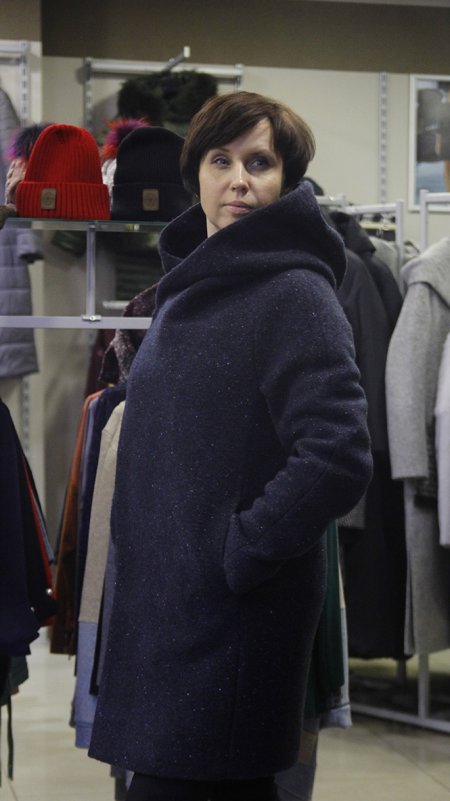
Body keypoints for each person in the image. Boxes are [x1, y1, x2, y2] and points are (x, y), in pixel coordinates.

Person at [88, 91, 372, 801]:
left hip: (228, 626)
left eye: (259, 162)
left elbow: (337, 452)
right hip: (172, 617)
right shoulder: (191, 285)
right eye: (221, 160)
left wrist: (238, 550)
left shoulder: (294, 292)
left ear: (287, 180)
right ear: (197, 175)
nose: (239, 180)